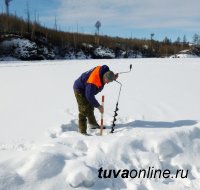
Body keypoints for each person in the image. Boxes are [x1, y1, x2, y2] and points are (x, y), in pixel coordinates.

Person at [73, 65, 118, 135]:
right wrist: (99, 106)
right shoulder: (93, 81)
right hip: (79, 89)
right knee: (84, 109)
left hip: (87, 88)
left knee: (90, 106)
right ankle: (82, 131)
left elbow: (108, 73)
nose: (107, 83)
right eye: (107, 81)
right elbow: (89, 96)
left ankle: (92, 124)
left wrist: (113, 77)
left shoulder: (105, 70)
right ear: (104, 77)